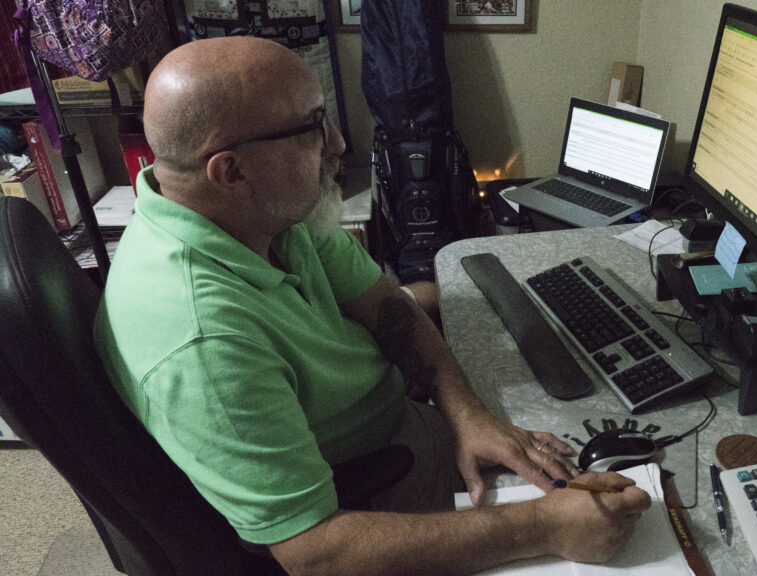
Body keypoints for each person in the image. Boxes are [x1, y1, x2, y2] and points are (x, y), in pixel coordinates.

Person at [93, 36, 650, 575]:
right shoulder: (202, 341)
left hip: (402, 422)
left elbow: (387, 305)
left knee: (565, 441)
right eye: (313, 127)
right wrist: (542, 528)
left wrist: (469, 416)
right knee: (631, 513)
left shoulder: (259, 212)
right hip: (370, 491)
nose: (337, 143)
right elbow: (314, 554)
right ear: (231, 170)